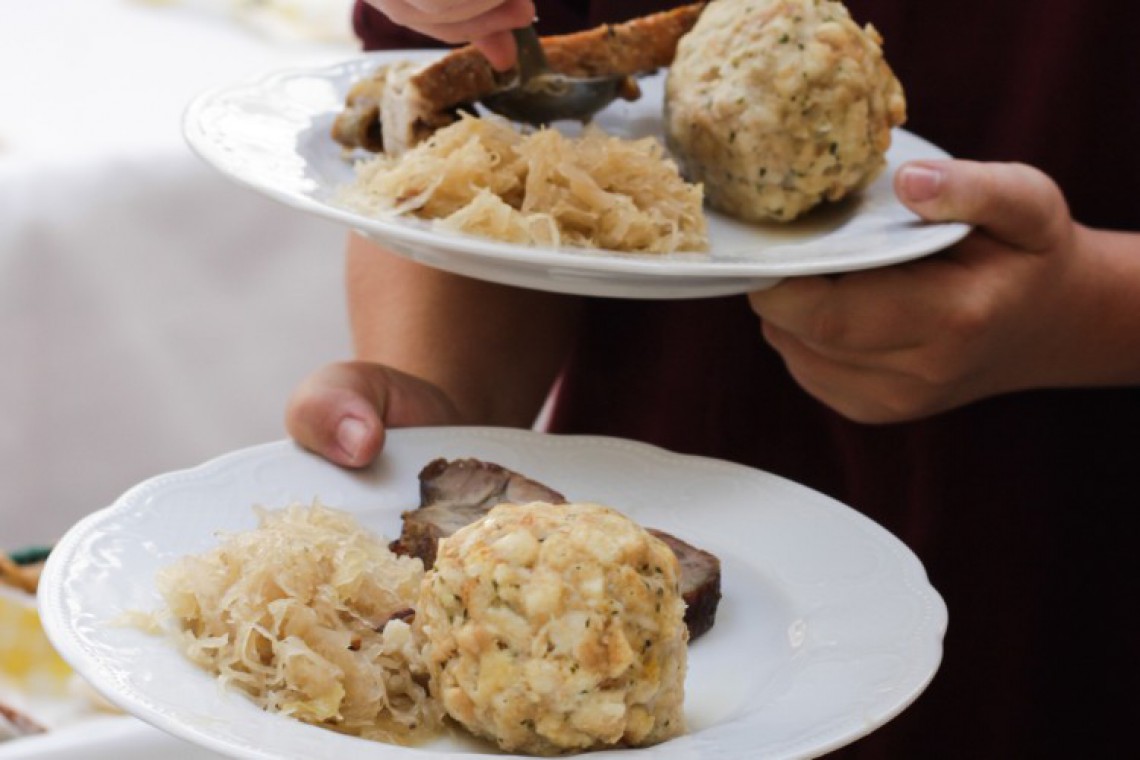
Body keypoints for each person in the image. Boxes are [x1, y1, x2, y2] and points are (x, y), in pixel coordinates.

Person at [286, 1, 1140, 756]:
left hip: (1062, 577)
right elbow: (478, 128)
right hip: (628, 536)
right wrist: (453, 409)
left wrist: (1090, 312)